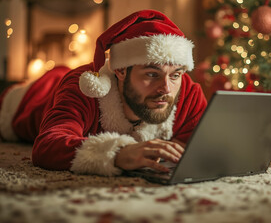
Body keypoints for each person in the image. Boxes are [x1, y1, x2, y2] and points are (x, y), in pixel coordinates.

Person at [0, 10, 207, 176]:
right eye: (152, 74)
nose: (166, 88)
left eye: (175, 74)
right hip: (27, 99)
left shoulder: (185, 90)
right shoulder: (84, 86)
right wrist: (118, 152)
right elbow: (47, 147)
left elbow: (203, 143)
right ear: (120, 70)